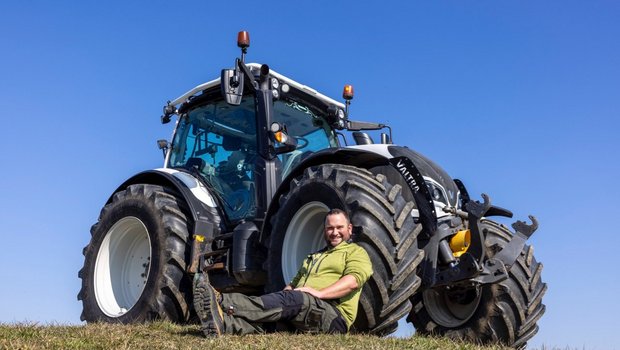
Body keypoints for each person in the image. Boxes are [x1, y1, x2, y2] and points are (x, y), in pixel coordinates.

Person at [193, 208, 373, 336]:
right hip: (306, 311)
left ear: (349, 229)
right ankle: (224, 325)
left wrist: (319, 293)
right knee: (274, 320)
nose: (334, 232)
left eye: (339, 227)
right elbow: (292, 285)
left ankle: (221, 301)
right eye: (330, 228)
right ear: (325, 230)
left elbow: (353, 281)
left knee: (295, 299)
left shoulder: (356, 252)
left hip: (333, 317)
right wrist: (285, 294)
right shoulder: (314, 257)